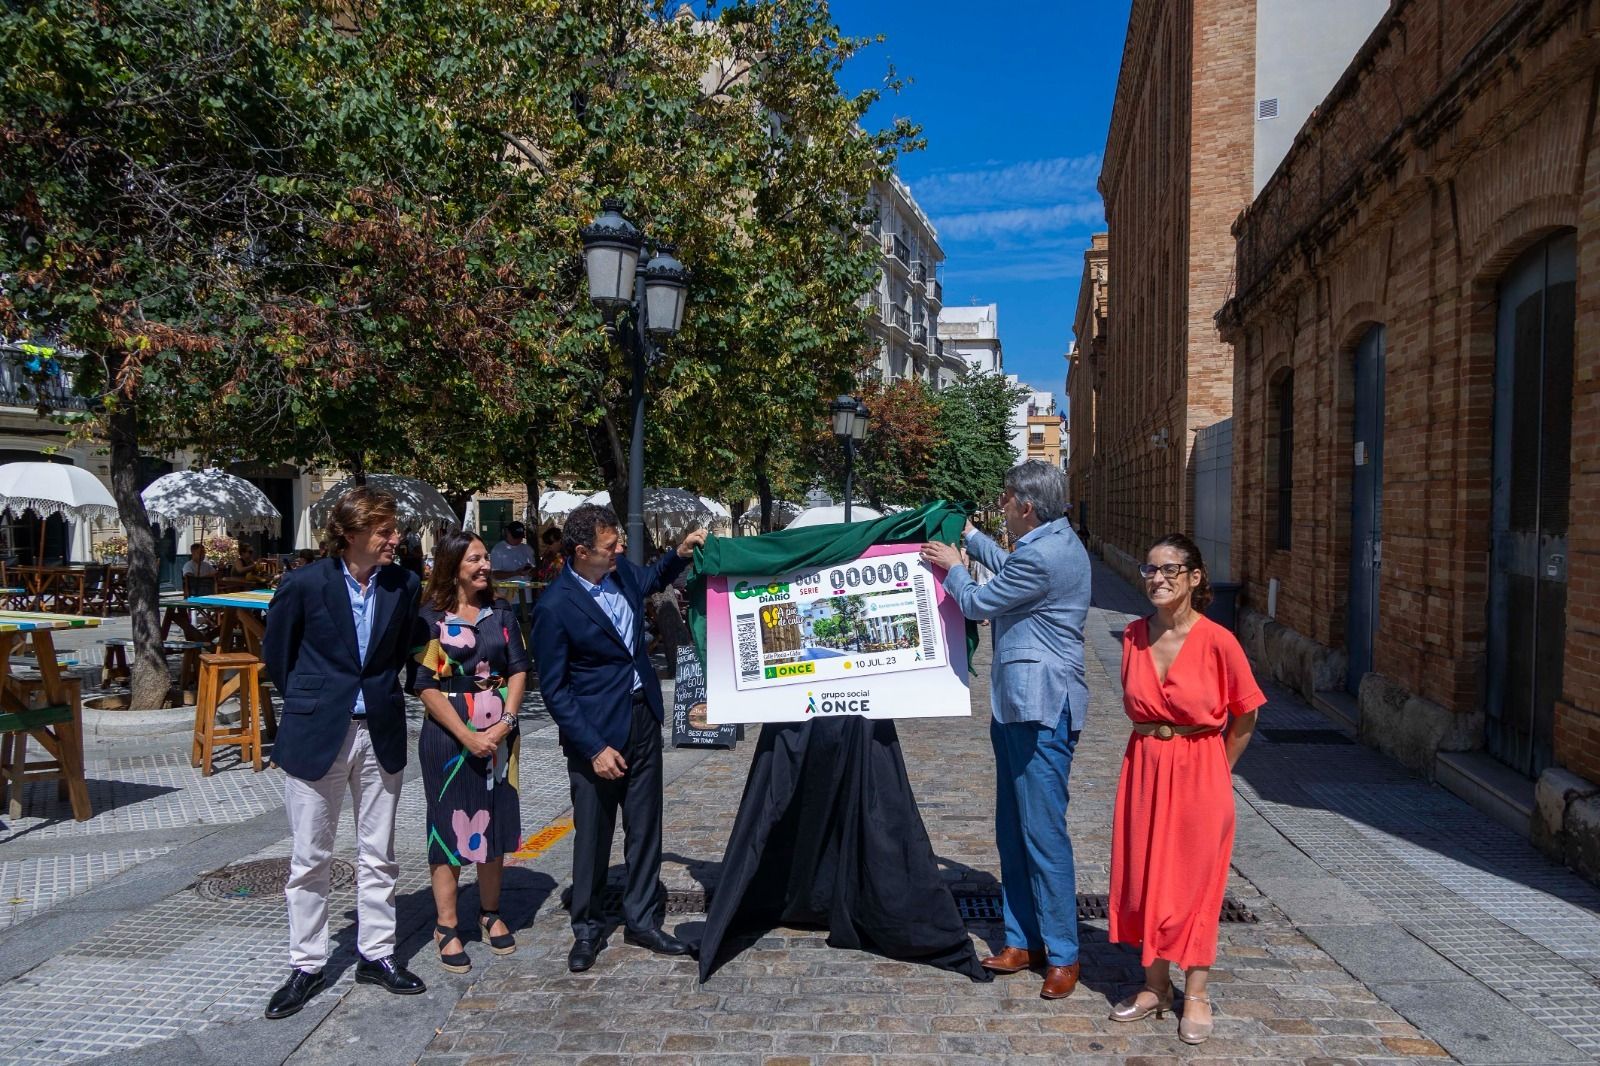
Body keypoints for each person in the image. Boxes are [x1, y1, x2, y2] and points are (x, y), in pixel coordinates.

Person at [920, 460, 1090, 1001]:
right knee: (1012, 829)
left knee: (1042, 834)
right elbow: (1010, 563)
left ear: (1026, 505)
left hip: (1041, 707)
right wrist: (970, 537)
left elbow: (977, 602)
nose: (1001, 507)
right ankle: (1023, 939)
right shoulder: (1050, 541)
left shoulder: (1044, 555)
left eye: (1004, 500)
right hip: (1019, 705)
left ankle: (1063, 952)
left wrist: (953, 564)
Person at [261, 486, 425, 1019]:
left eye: (393, 529)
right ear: (351, 534)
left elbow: (400, 651)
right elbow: (278, 656)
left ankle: (376, 953)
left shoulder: (403, 585)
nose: (394, 539)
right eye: (384, 531)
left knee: (379, 852)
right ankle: (307, 963)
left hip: (379, 728)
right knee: (311, 855)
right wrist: (316, 703)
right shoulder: (304, 584)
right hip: (318, 732)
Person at [531, 503, 707, 972]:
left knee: (646, 827)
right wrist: (592, 747)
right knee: (592, 834)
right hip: (596, 734)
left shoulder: (620, 572)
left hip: (642, 717)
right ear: (582, 551)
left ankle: (643, 920)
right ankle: (586, 928)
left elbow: (649, 579)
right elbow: (555, 689)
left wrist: (680, 553)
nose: (621, 549)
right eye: (612, 546)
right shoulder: (554, 606)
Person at [1108, 534, 1264, 1045]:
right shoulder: (1132, 635)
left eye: (1169, 569)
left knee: (1197, 882)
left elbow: (1246, 713)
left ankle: (1196, 991)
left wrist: (1218, 767)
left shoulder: (1219, 640)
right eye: (1149, 569)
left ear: (1195, 579)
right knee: (1144, 875)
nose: (1156, 578)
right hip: (1145, 768)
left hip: (1201, 769)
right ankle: (1156, 985)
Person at [412, 531, 527, 974]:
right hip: (448, 736)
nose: (485, 566)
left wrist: (505, 723)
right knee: (448, 826)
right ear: (453, 565)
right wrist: (467, 735)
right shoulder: (430, 618)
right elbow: (424, 685)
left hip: (500, 732)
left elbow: (518, 669)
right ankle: (446, 925)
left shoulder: (501, 612)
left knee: (494, 822)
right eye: (475, 559)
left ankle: (490, 912)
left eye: (486, 558)